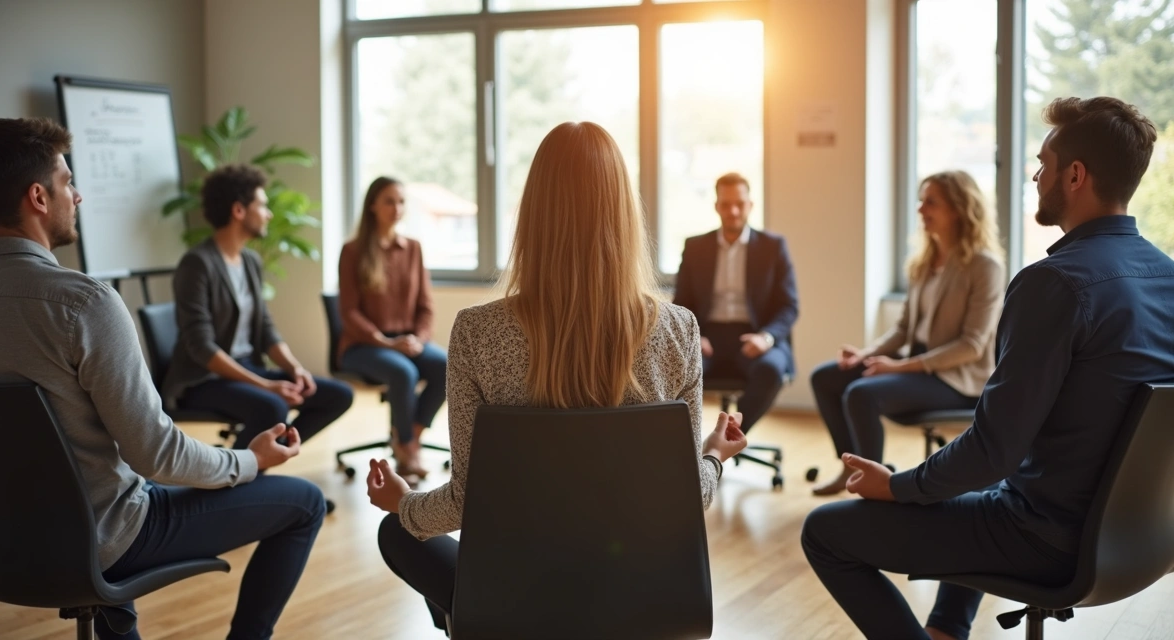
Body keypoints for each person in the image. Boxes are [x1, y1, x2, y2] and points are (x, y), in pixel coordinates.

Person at [801, 97, 1174, 640]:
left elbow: (992, 452)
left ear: (1075, 175)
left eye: (1044, 163)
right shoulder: (1166, 275)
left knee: (824, 533)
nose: (1036, 175)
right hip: (1145, 539)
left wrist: (898, 486)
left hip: (1049, 539)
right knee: (983, 497)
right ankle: (948, 629)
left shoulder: (1055, 284)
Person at [364, 122, 749, 634]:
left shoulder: (478, 332)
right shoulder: (678, 330)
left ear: (534, 213)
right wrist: (714, 455)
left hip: (517, 590)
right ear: (624, 212)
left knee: (397, 533)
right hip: (642, 591)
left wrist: (402, 504)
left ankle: (480, 624)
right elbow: (687, 497)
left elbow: (463, 504)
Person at [0, 117, 325, 640]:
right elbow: (156, 454)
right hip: (99, 541)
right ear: (38, 197)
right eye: (67, 183)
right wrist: (252, 460)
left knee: (113, 486)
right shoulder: (82, 303)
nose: (77, 196)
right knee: (304, 502)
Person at [809, 171, 1005, 495]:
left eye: (930, 202)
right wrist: (865, 354)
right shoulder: (924, 262)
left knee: (861, 393)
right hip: (917, 365)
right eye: (920, 200)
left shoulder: (985, 266)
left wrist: (898, 367)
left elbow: (971, 346)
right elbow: (902, 329)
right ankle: (852, 468)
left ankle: (874, 486)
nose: (920, 209)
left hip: (957, 378)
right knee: (825, 377)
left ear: (958, 209)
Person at [164, 164, 354, 460]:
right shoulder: (197, 264)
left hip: (247, 368)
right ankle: (236, 476)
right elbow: (201, 348)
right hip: (204, 380)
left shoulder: (250, 261)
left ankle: (253, 470)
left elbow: (265, 328)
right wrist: (267, 385)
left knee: (337, 395)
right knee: (273, 406)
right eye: (262, 205)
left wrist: (295, 369)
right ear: (239, 210)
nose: (269, 214)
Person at [337, 177, 445, 485]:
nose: (396, 208)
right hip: (364, 345)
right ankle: (408, 446)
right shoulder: (353, 251)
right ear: (372, 206)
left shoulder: (413, 249)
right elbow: (349, 312)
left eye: (401, 202)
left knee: (449, 366)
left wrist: (418, 339)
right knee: (403, 373)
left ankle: (409, 438)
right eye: (389, 201)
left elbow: (426, 306)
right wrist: (384, 342)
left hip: (407, 340)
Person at [673, 172, 798, 438]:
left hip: (755, 334)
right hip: (707, 336)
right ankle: (685, 446)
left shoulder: (772, 247)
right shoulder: (695, 247)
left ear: (750, 205)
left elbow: (789, 305)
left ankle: (730, 436)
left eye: (739, 204)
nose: (733, 211)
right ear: (716, 206)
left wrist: (767, 337)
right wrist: (696, 336)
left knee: (772, 369)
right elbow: (681, 303)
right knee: (675, 367)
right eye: (726, 204)